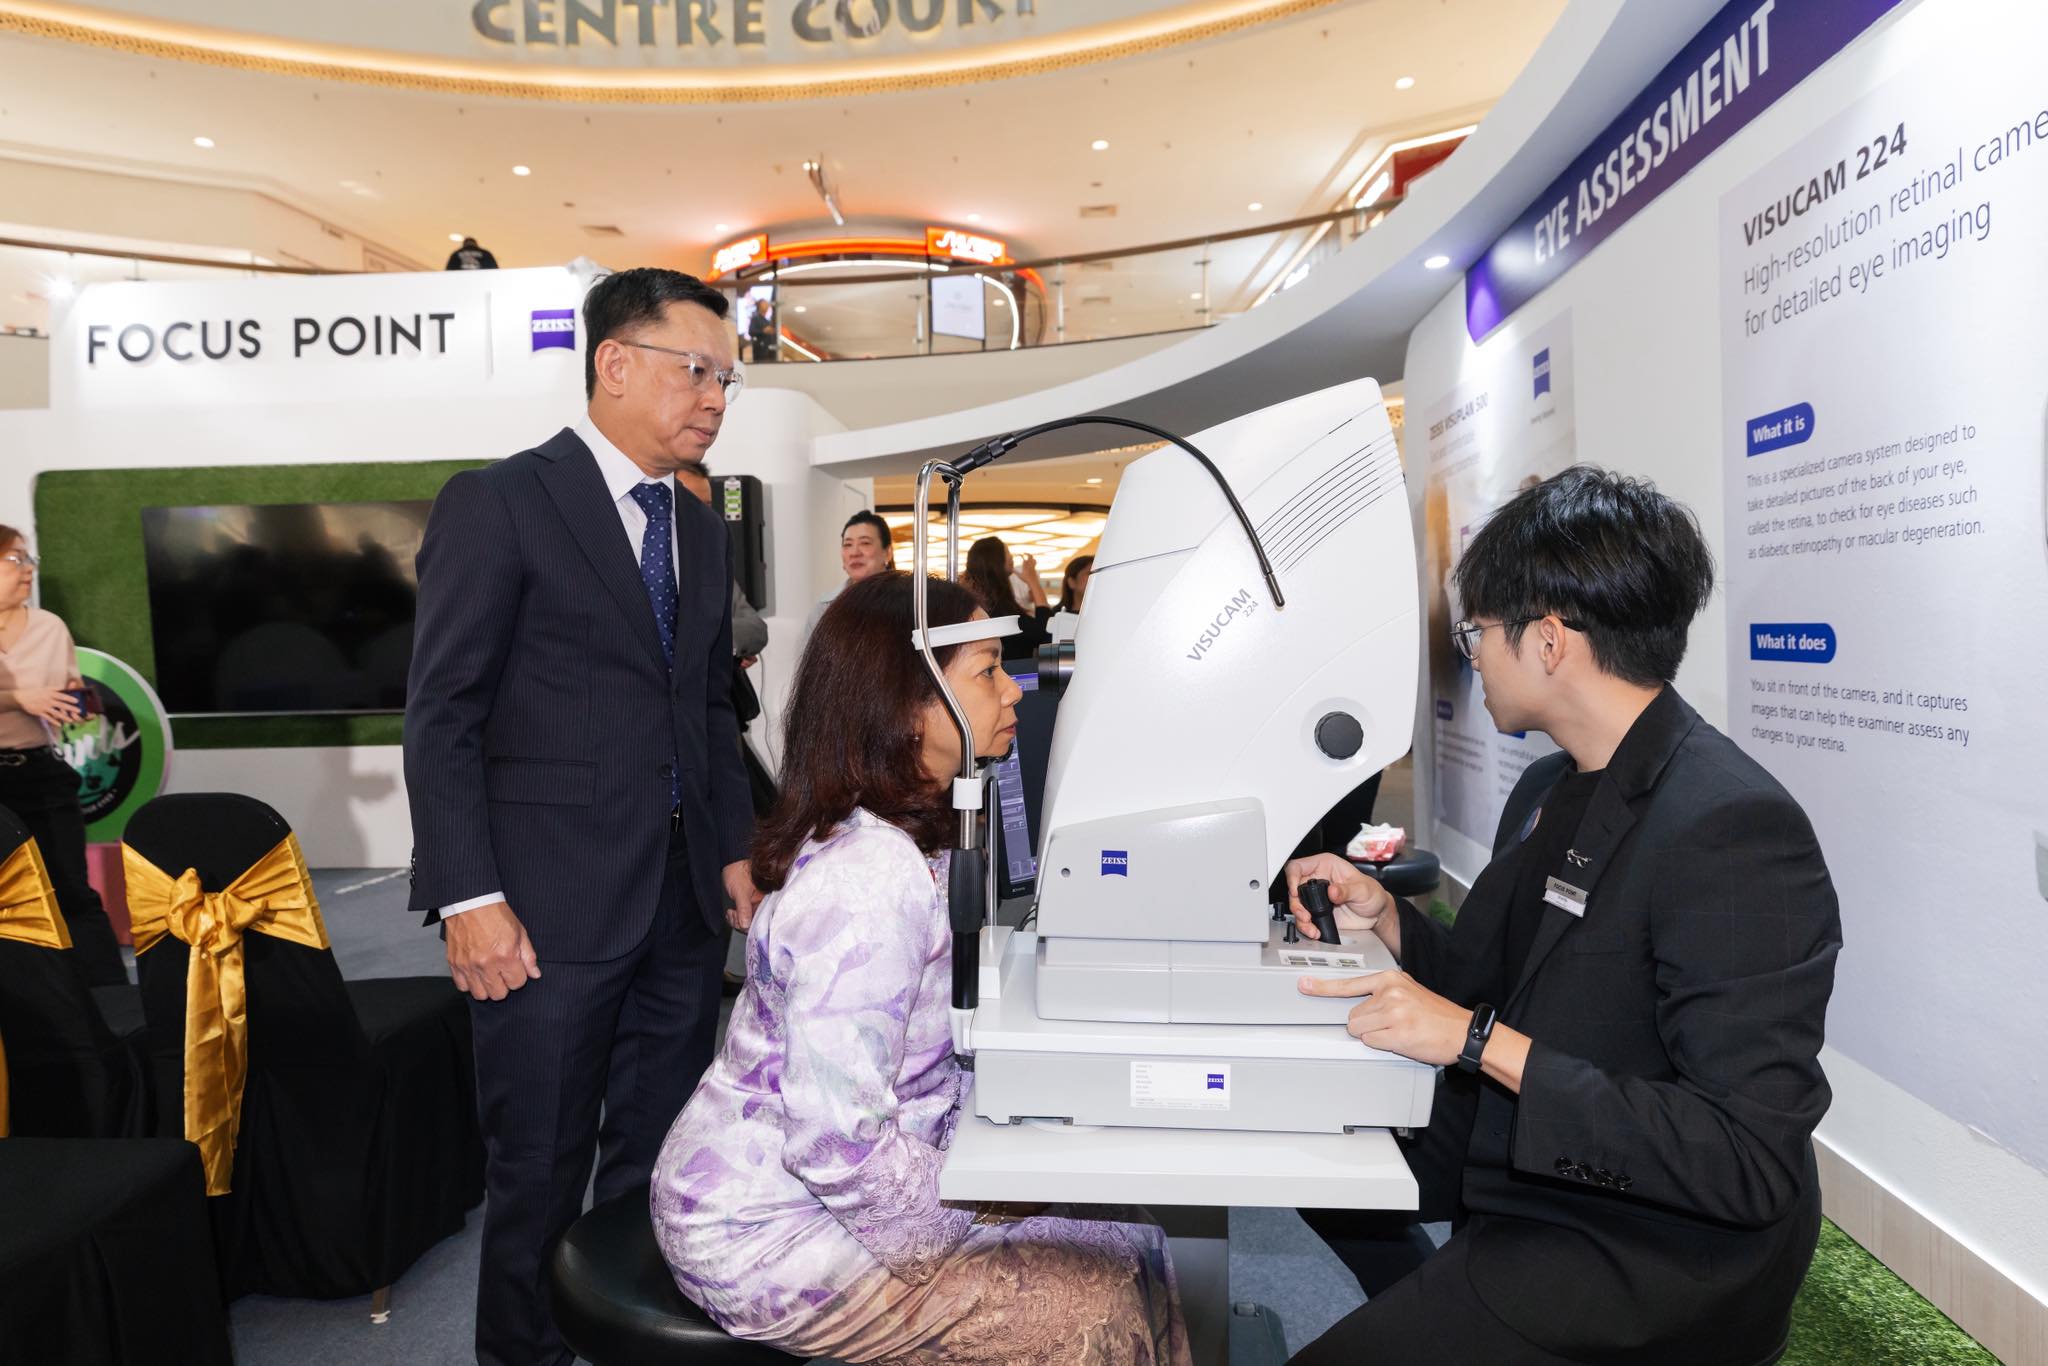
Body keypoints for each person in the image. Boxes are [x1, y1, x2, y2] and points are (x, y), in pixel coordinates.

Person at [1283, 466, 1841, 1366]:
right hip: (1534, 1171)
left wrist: (1480, 1043)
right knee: (1302, 1145)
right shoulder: (1555, 783)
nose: (1470, 657)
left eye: (1476, 633)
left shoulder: (1730, 826)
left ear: (1548, 641)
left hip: (1649, 1249)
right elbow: (1495, 983)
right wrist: (1387, 919)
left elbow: (1742, 1158)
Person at [653, 571, 1190, 1365]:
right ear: (907, 708)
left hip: (848, 1177)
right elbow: (834, 1145)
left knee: (1128, 1238)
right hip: (764, 1229)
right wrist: (977, 1218)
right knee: (1101, 1296)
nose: (1013, 691)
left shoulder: (909, 836)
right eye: (988, 671)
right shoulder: (869, 881)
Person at [404, 266, 759, 1366]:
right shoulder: (501, 502)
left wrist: (734, 849)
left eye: (726, 380)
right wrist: (468, 896)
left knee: (658, 1163)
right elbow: (443, 714)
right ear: (614, 363)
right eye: (695, 370)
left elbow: (705, 707)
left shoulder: (698, 528)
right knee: (539, 1170)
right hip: (541, 910)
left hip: (679, 905)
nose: (714, 398)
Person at [0, 529, 125, 987]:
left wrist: (81, 703)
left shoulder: (49, 627)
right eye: (15, 559)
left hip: (39, 771)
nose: (28, 569)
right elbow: (28, 698)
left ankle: (111, 1002)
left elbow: (68, 694)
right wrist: (19, 698)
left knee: (71, 892)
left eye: (29, 559)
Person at [803, 509, 895, 638]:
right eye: (848, 544)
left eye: (865, 543)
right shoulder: (824, 609)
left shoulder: (909, 603)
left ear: (888, 553)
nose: (854, 553)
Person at [961, 535, 1050, 663]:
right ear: (996, 560)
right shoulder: (996, 605)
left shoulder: (985, 601)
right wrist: (1033, 581)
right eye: (1007, 552)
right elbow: (1044, 631)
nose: (1011, 557)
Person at [746, 295, 779, 363]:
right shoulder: (755, 318)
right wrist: (763, 331)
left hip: (769, 351)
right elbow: (751, 331)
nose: (767, 305)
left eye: (767, 304)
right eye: (764, 304)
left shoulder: (767, 321)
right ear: (759, 306)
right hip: (760, 352)